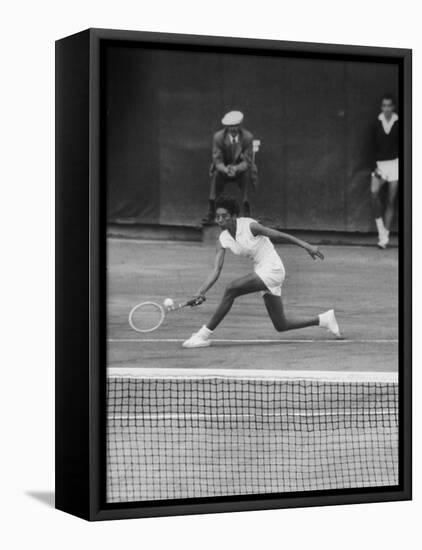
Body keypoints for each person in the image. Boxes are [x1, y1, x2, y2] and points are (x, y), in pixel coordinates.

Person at [184, 196, 341, 348]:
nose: (219, 220)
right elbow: (216, 269)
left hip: (273, 268)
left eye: (224, 216)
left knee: (231, 289)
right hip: (261, 270)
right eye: (217, 217)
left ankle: (202, 335)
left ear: (234, 216)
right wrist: (200, 292)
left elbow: (279, 235)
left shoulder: (250, 226)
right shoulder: (223, 239)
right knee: (281, 324)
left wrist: (307, 246)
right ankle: (324, 319)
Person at [203, 111, 255, 222]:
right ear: (227, 127)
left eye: (236, 125)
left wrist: (236, 168)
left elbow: (247, 161)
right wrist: (225, 169)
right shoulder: (218, 137)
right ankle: (211, 211)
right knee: (216, 176)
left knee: (247, 176)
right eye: (231, 126)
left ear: (240, 125)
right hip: (223, 170)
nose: (233, 129)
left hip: (240, 171)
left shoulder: (247, 137)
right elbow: (217, 160)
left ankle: (247, 211)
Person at [370, 94, 399, 249]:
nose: (387, 108)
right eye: (384, 106)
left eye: (389, 105)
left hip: (395, 164)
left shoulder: (400, 122)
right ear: (381, 107)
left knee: (390, 200)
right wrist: (374, 166)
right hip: (379, 165)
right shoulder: (376, 124)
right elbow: (371, 147)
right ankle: (381, 230)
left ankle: (385, 237)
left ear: (393, 107)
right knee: (374, 194)